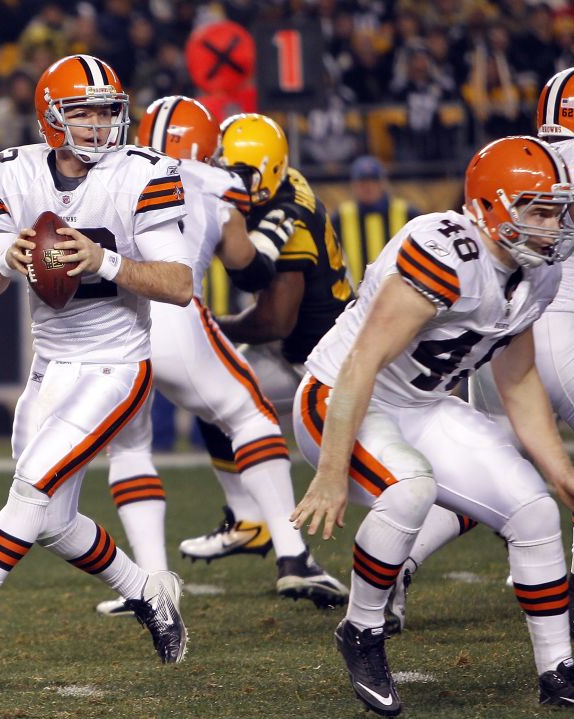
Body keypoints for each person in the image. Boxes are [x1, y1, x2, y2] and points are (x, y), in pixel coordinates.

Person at [290, 136, 574, 716]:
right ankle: (362, 629)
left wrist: (559, 474)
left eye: (557, 209)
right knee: (410, 488)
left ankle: (559, 673)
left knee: (533, 510)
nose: (553, 225)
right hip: (340, 397)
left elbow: (519, 380)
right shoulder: (446, 252)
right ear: (489, 207)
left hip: (422, 407)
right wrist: (329, 471)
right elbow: (361, 363)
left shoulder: (536, 273)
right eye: (538, 210)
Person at [0, 54, 192, 671]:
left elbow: (178, 283)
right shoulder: (11, 174)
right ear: (51, 119)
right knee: (54, 520)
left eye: (106, 111)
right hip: (51, 364)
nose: (97, 124)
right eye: (82, 111)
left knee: (30, 490)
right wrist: (7, 257)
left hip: (117, 364)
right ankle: (148, 594)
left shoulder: (143, 174)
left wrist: (105, 261)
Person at [394, 67, 574, 641]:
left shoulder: (531, 158)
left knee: (490, 474)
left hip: (508, 330)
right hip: (571, 332)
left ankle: (396, 569)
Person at [95, 97, 347, 617]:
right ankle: (293, 556)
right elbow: (250, 272)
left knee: (129, 449)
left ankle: (148, 583)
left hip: (107, 330)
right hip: (172, 316)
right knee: (249, 414)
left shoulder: (109, 173)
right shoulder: (210, 186)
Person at [175, 114, 353, 571]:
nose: (227, 178)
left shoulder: (287, 215)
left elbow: (275, 319)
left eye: (238, 173)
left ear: (266, 174)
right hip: (295, 348)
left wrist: (212, 326)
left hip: (327, 359)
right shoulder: (273, 182)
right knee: (212, 397)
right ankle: (249, 522)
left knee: (373, 472)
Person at [330, 156, 420, 286]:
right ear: (353, 185)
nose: (368, 187)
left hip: (400, 297)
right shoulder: (339, 219)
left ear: (383, 183)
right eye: (363, 182)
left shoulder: (407, 214)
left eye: (374, 181)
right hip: (356, 299)